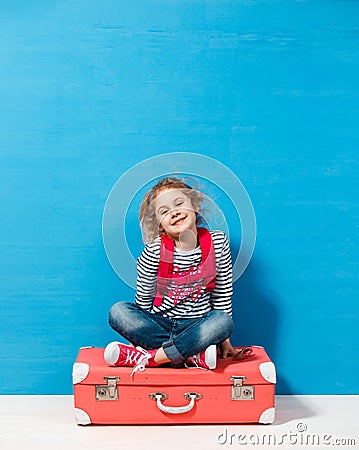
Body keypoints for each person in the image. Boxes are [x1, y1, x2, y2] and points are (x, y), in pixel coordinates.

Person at [104, 176, 251, 375]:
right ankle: (190, 356)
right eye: (164, 211)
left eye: (179, 203)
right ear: (160, 225)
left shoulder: (217, 243)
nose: (174, 212)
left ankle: (153, 358)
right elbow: (144, 300)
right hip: (160, 324)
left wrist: (224, 341)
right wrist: (136, 338)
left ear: (195, 205)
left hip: (198, 326)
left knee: (223, 321)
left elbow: (222, 294)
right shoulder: (154, 251)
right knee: (118, 311)